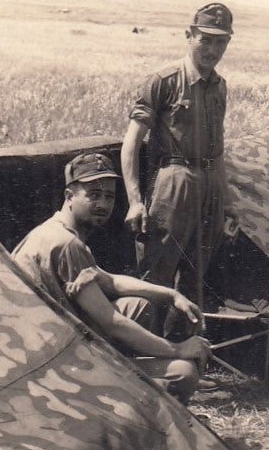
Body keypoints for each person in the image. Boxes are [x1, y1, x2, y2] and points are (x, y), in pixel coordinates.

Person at [12, 152, 211, 404]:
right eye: (93, 195)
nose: (103, 205)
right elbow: (112, 322)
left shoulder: (54, 231)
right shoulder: (66, 245)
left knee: (138, 305)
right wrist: (177, 349)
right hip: (52, 365)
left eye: (109, 196)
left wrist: (172, 294)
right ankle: (121, 401)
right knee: (184, 374)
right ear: (69, 196)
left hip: (49, 345)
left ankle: (125, 375)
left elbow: (110, 281)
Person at [119, 3, 234, 333]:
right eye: (206, 40)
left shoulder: (220, 86)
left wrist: (228, 203)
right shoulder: (164, 81)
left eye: (221, 42)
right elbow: (131, 144)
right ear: (189, 36)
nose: (213, 50)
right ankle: (145, 353)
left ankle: (183, 355)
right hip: (175, 181)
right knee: (157, 270)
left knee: (197, 276)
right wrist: (136, 201)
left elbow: (219, 151)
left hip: (210, 183)